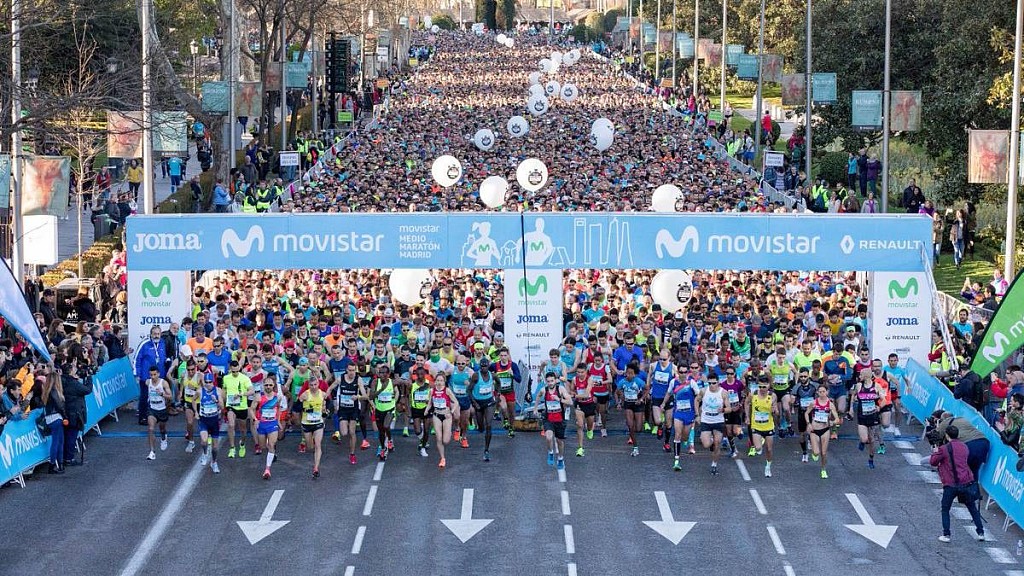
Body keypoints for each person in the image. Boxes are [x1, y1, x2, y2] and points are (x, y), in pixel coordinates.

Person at [929, 425, 986, 543]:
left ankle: (946, 534)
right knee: (972, 508)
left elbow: (933, 462)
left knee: (945, 509)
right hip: (965, 482)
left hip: (950, 484)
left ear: (947, 435)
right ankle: (981, 532)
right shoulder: (964, 446)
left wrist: (935, 451)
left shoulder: (944, 449)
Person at [328, 362, 367, 465]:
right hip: (343, 409)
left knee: (352, 432)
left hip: (354, 409)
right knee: (344, 433)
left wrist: (358, 397)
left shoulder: (358, 379)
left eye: (353, 370)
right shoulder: (340, 378)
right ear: (346, 370)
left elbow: (364, 395)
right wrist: (324, 399)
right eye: (350, 370)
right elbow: (330, 388)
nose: (351, 372)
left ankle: (352, 454)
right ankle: (345, 428)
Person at [535, 372, 573, 470]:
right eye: (548, 381)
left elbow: (570, 402)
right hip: (548, 419)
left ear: (556, 380)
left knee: (559, 441)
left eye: (552, 381)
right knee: (548, 437)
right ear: (546, 382)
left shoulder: (561, 389)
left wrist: (559, 399)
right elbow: (538, 396)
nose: (550, 383)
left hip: (560, 419)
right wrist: (535, 408)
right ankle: (550, 452)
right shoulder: (544, 390)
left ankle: (560, 458)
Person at [696, 373, 732, 475]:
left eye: (714, 383)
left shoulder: (723, 393)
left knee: (717, 443)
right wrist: (697, 415)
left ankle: (714, 465)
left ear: (718, 382)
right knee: (706, 444)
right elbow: (696, 400)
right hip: (706, 420)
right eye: (710, 383)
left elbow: (729, 408)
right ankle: (711, 441)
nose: (712, 385)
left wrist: (723, 410)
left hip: (718, 420)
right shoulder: (703, 391)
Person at [851, 368, 885, 469]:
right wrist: (851, 409)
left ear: (866, 375)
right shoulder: (859, 386)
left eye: (861, 374)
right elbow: (853, 396)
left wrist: (879, 407)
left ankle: (871, 459)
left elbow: (883, 399)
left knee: (872, 440)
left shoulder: (876, 386)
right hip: (862, 417)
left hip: (873, 416)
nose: (859, 376)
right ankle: (862, 442)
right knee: (865, 439)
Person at [61, 360, 92, 467]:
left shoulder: (61, 381)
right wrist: (89, 377)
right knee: (71, 436)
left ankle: (65, 457)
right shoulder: (73, 383)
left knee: (66, 435)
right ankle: (69, 458)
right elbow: (87, 390)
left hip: (65, 412)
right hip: (74, 413)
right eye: (74, 370)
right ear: (70, 372)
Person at [134, 325, 167, 425]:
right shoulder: (144, 344)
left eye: (158, 334)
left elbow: (163, 357)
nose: (156, 336)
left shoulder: (162, 343)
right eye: (154, 334)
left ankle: (156, 416)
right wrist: (137, 374)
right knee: (144, 397)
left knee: (158, 395)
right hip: (146, 376)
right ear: (151, 334)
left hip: (159, 377)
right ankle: (142, 417)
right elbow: (137, 358)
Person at [425, 373, 460, 468]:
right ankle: (442, 458)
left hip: (446, 415)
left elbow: (456, 402)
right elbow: (430, 403)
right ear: (435, 382)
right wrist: (426, 410)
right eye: (437, 380)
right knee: (439, 438)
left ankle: (450, 432)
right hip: (436, 415)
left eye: (441, 380)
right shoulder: (432, 391)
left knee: (445, 441)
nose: (439, 383)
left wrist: (451, 412)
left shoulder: (447, 390)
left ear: (444, 381)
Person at [805, 384, 840, 479]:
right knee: (816, 452)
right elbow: (806, 413)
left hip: (825, 430)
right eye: (820, 392)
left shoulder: (830, 404)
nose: (822, 394)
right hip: (814, 430)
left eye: (823, 391)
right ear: (817, 392)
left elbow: (837, 418)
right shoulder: (814, 403)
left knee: (824, 453)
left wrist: (833, 422)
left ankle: (823, 469)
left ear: (827, 392)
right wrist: (808, 424)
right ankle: (814, 452)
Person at [666, 371, 698, 471]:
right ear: (678, 372)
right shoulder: (673, 382)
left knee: (685, 437)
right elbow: (668, 393)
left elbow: (698, 395)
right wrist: (663, 404)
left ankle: (685, 441)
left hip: (689, 413)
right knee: (677, 434)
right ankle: (676, 461)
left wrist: (697, 412)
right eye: (681, 372)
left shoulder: (692, 383)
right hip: (678, 413)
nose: (683, 374)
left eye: (685, 372)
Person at [222, 360, 254, 459]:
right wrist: (223, 402)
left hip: (242, 407)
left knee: (243, 430)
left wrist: (241, 394)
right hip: (231, 406)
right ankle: (232, 448)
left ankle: (242, 443)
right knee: (231, 425)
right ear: (230, 369)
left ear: (239, 368)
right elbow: (224, 390)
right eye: (233, 371)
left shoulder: (245, 378)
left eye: (237, 371)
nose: (235, 373)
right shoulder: (226, 378)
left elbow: (252, 391)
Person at [253, 374, 283, 479]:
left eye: (270, 385)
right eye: (266, 385)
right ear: (263, 385)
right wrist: (255, 419)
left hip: (272, 424)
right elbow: (251, 409)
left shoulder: (278, 397)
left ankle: (267, 470)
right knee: (262, 446)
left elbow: (278, 409)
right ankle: (270, 450)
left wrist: (278, 421)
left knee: (271, 444)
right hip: (262, 424)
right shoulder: (259, 397)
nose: (268, 387)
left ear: (273, 385)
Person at [747, 379, 777, 477]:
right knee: (758, 448)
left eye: (764, 387)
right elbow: (746, 403)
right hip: (756, 425)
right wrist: (747, 416)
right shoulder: (753, 394)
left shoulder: (772, 396)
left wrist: (774, 411)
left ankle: (768, 467)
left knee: (769, 449)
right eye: (760, 386)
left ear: (768, 386)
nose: (762, 389)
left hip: (768, 426)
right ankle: (760, 441)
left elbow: (776, 412)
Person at [298, 374, 326, 478]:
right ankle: (310, 442)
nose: (313, 387)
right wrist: (306, 408)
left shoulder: (323, 394)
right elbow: (298, 405)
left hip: (318, 422)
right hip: (307, 423)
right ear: (308, 385)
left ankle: (316, 468)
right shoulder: (305, 394)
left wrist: (324, 410)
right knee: (310, 447)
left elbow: (325, 405)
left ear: (318, 384)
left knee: (318, 444)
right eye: (311, 385)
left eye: (315, 384)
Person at [469, 358, 497, 461]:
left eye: (485, 366)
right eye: (482, 366)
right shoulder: (476, 376)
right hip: (478, 403)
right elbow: (469, 390)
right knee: (481, 427)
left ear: (488, 366)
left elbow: (498, 383)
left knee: (489, 425)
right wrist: (474, 403)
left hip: (489, 402)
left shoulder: (493, 375)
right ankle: (480, 427)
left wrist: (497, 394)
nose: (484, 368)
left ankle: (486, 450)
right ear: (480, 367)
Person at [194, 372, 223, 474]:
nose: (208, 384)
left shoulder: (218, 391)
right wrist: (196, 412)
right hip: (204, 420)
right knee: (204, 440)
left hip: (214, 421)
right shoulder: (200, 391)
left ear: (213, 382)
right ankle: (205, 453)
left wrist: (216, 401)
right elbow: (193, 400)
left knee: (215, 447)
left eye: (210, 382)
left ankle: (214, 462)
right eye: (206, 382)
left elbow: (222, 406)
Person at [617, 364, 648, 457]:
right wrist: (619, 401)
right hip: (628, 404)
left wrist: (641, 399)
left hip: (637, 404)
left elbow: (647, 389)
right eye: (628, 373)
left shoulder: (638, 381)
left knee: (638, 428)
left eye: (631, 373)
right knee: (630, 426)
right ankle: (635, 448)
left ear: (635, 374)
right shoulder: (622, 382)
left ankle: (636, 426)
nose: (629, 375)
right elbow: (617, 391)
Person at [369, 364, 397, 461]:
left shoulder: (392, 382)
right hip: (379, 409)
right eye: (380, 373)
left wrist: (408, 383)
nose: (382, 375)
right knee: (381, 431)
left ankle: (389, 441)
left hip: (390, 409)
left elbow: (403, 382)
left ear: (388, 374)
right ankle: (384, 447)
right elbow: (371, 396)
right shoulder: (375, 382)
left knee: (386, 426)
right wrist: (381, 389)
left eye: (384, 373)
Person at [144, 366, 172, 460]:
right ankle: (152, 452)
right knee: (151, 429)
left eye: (155, 374)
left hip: (162, 409)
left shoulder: (163, 383)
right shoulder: (148, 382)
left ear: (158, 374)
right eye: (151, 375)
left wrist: (162, 394)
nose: (153, 377)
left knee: (162, 428)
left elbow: (170, 396)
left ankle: (163, 437)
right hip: (152, 409)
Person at [42, 371, 66, 474]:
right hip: (56, 418)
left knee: (57, 441)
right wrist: (65, 416)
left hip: (49, 418)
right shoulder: (54, 391)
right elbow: (60, 406)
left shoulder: (47, 391)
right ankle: (55, 465)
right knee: (58, 442)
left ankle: (57, 464)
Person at [572, 363, 596, 457]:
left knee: (589, 425)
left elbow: (586, 394)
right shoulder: (574, 379)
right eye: (578, 372)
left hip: (589, 404)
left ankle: (590, 430)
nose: (580, 374)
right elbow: (572, 390)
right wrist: (573, 393)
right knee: (580, 425)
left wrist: (575, 395)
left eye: (582, 372)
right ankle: (580, 448)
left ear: (586, 371)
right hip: (579, 405)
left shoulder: (590, 379)